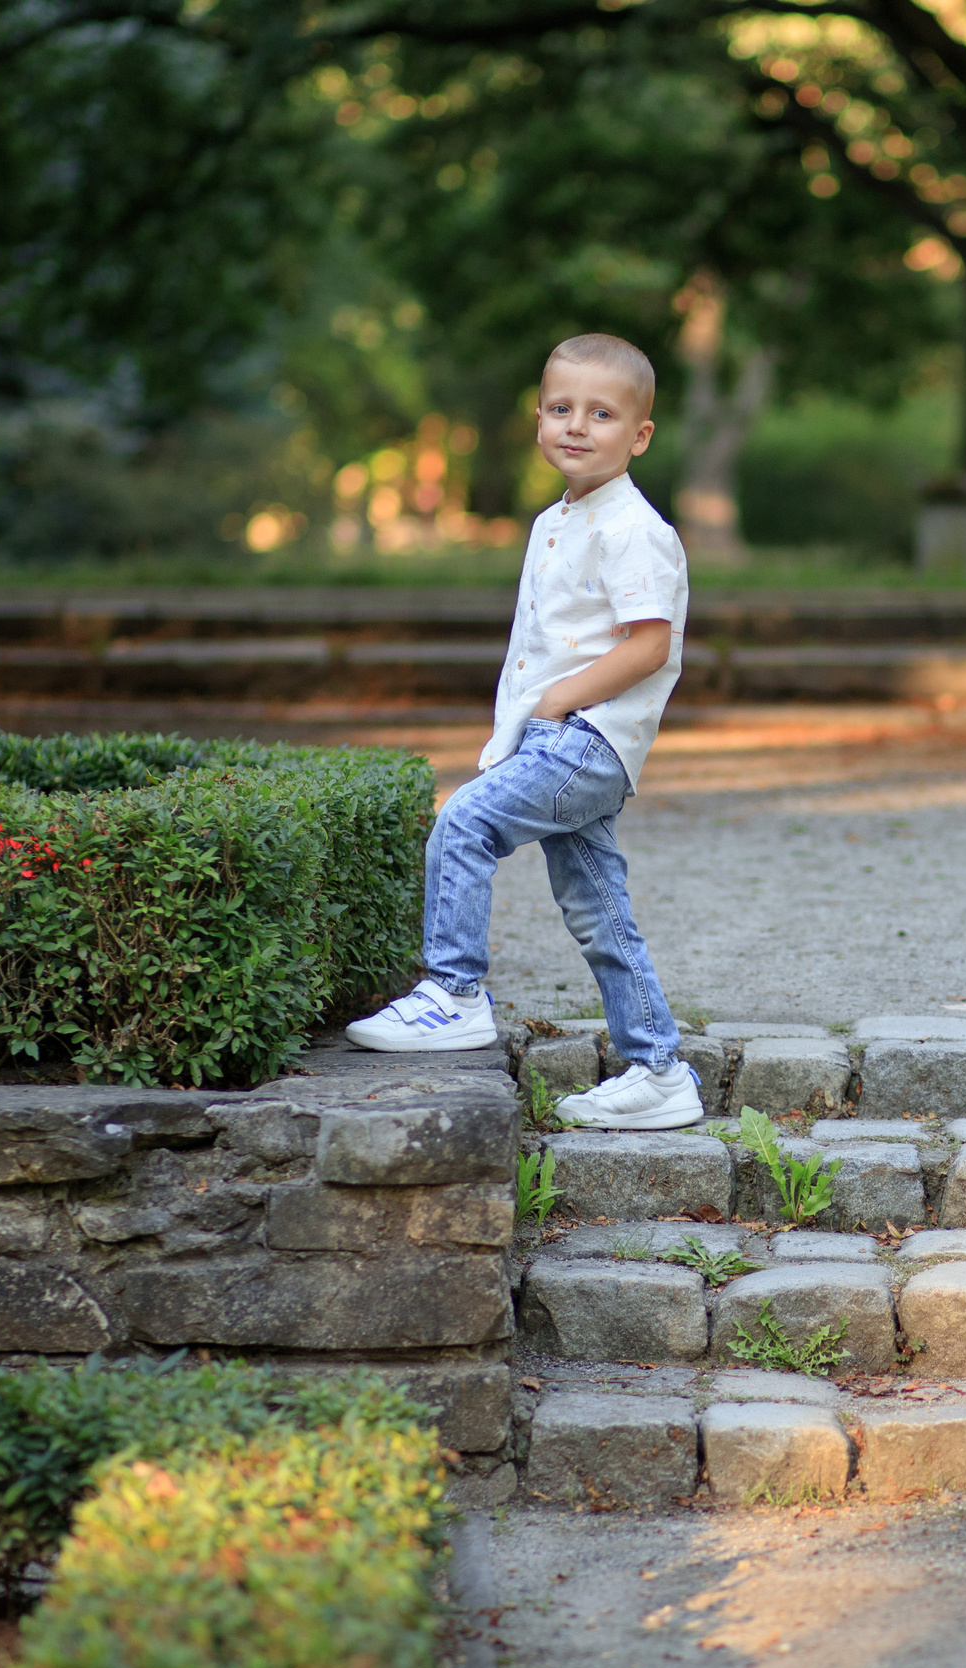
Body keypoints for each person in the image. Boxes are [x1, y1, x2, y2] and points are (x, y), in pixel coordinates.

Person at [345, 332, 702, 1130]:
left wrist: (557, 703)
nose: (577, 425)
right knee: (597, 907)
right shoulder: (558, 520)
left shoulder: (631, 530)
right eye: (561, 407)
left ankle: (454, 992)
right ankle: (657, 1068)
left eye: (602, 413)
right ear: (539, 418)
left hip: (584, 739)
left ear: (639, 435)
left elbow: (649, 643)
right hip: (556, 738)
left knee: (464, 820)